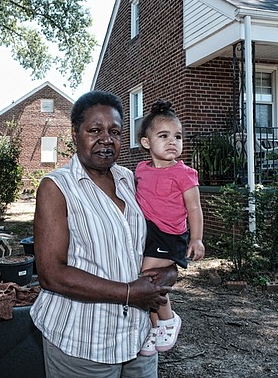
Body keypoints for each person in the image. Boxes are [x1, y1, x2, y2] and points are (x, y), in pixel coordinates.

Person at [30, 90, 178, 378]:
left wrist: (169, 271)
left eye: (115, 131)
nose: (106, 139)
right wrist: (128, 293)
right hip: (83, 342)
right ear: (75, 134)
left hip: (139, 338)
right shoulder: (57, 188)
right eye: (94, 130)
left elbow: (158, 238)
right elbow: (51, 274)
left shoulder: (131, 180)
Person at [135, 100, 205, 356]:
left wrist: (196, 239)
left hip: (170, 235)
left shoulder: (184, 173)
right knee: (143, 277)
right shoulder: (141, 169)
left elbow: (195, 209)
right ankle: (155, 328)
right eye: (163, 136)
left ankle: (168, 320)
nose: (172, 141)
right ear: (146, 142)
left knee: (149, 276)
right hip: (149, 231)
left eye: (177, 136)